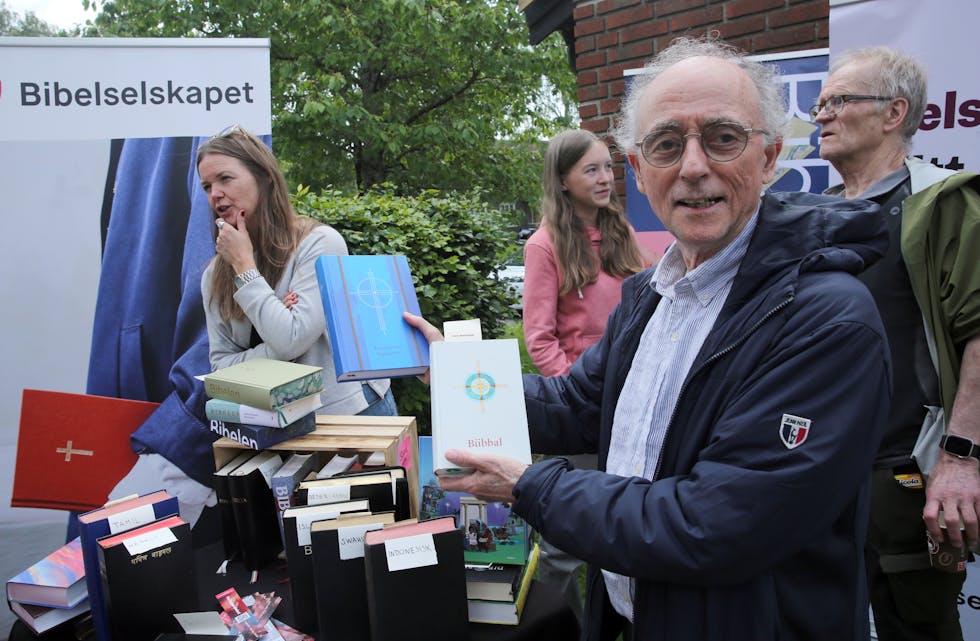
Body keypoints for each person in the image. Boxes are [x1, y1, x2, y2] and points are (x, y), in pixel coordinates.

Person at [406, 36, 892, 641]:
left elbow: (714, 525)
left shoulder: (827, 320)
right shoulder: (648, 296)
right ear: (639, 170)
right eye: (666, 144)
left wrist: (533, 487)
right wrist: (451, 374)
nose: (693, 167)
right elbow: (579, 404)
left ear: (768, 158)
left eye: (722, 138)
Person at [814, 46, 980, 641]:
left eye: (840, 101)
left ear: (894, 113)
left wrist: (961, 460)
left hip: (902, 477)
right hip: (816, 470)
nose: (822, 114)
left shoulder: (942, 204)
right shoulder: (812, 217)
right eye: (821, 101)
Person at [522, 128, 647, 622]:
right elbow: (539, 340)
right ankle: (554, 628)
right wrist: (579, 398)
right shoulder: (544, 244)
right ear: (564, 180)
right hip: (581, 408)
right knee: (562, 544)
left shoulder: (623, 232)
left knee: (624, 525)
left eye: (607, 167)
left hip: (633, 400)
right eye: (590, 169)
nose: (605, 178)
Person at [198, 126, 396, 419]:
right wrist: (279, 339)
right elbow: (220, 367)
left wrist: (244, 267)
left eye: (225, 178)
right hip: (269, 421)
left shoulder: (319, 243)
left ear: (264, 177)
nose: (215, 194)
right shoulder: (215, 273)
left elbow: (290, 338)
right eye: (206, 186)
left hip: (350, 414)